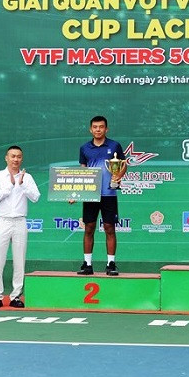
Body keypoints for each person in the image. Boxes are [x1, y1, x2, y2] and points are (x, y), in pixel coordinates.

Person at [71, 115, 126, 276]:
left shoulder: (114, 145)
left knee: (109, 228)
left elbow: (123, 165)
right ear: (91, 129)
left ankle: (111, 264)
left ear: (106, 129)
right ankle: (87, 264)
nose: (98, 129)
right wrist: (76, 192)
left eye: (101, 127)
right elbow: (82, 171)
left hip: (109, 193)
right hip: (90, 194)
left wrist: (118, 176)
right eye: (95, 127)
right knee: (89, 228)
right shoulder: (84, 148)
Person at [0, 145, 40, 308]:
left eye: (18, 156)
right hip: (2, 221)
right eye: (12, 156)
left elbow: (36, 197)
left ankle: (16, 296)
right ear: (6, 158)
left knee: (19, 261)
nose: (15, 159)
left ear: (21, 159)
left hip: (20, 222)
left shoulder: (27, 177)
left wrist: (22, 185)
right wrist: (10, 185)